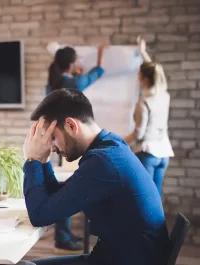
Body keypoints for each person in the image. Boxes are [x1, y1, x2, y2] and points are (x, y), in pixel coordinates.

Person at [22, 88, 169, 265]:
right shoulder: (110, 147)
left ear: (71, 125)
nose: (51, 146)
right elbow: (56, 199)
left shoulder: (104, 162)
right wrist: (43, 161)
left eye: (53, 137)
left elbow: (40, 216)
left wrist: (33, 159)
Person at [45, 43, 106, 253]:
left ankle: (63, 234)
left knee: (61, 187)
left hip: (52, 139)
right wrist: (99, 59)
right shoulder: (71, 83)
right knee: (65, 189)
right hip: (63, 140)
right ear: (70, 64)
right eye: (76, 59)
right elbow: (91, 77)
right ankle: (62, 236)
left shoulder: (54, 83)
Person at [124, 37, 174, 198]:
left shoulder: (144, 103)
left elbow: (139, 134)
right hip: (163, 154)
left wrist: (120, 140)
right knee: (155, 197)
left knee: (144, 197)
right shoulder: (164, 94)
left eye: (139, 75)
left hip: (147, 154)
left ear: (145, 79)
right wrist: (143, 52)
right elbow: (156, 72)